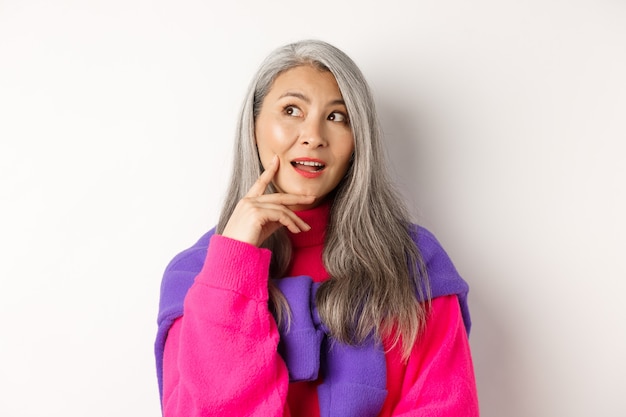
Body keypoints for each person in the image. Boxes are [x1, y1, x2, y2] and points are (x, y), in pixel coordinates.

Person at [155, 39, 479, 417]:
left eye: (337, 117)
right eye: (291, 110)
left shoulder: (415, 263)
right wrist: (233, 264)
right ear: (254, 126)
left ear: (358, 142)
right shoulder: (193, 275)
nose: (313, 136)